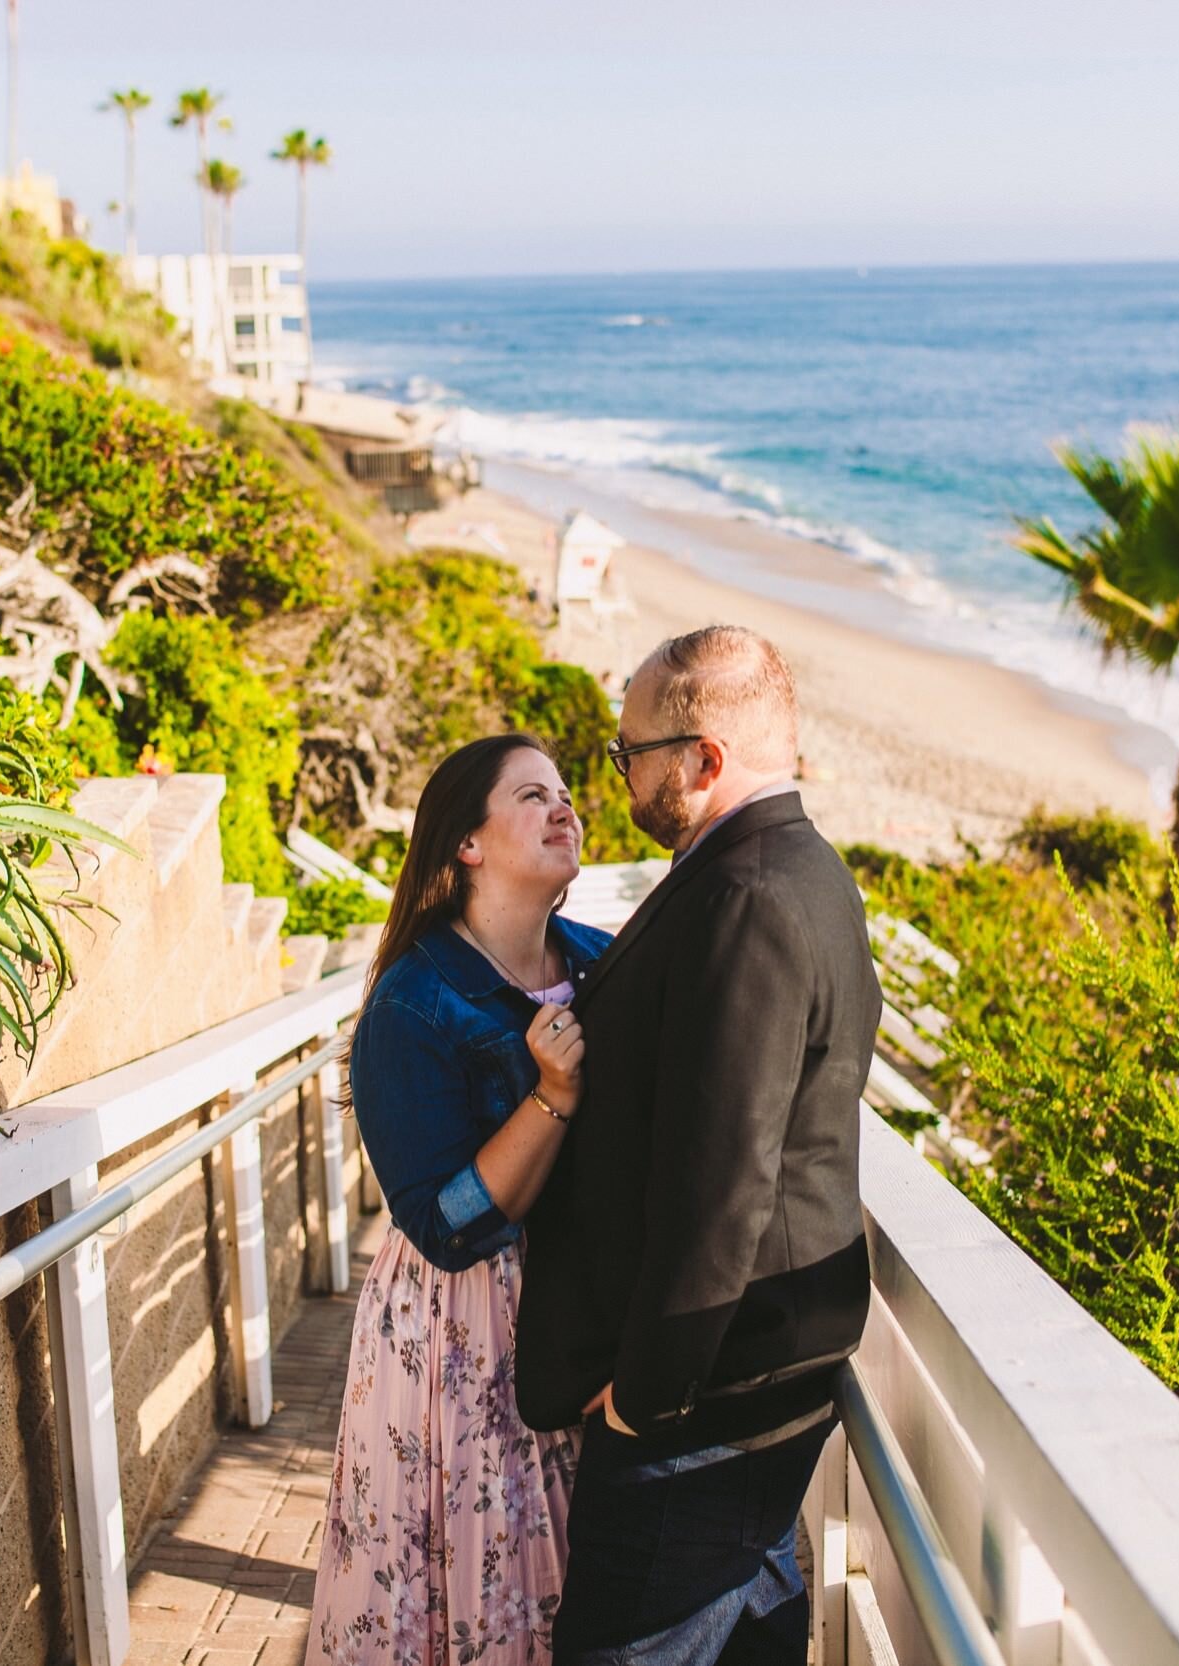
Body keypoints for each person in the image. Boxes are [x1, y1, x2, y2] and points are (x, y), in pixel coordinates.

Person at [517, 625, 880, 1665]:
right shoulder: (800, 871)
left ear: (701, 759)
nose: (619, 773)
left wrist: (644, 1396)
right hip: (748, 1376)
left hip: (702, 1400)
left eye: (628, 751)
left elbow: (723, 1179)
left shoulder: (748, 895)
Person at [309, 734, 615, 1666]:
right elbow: (444, 1229)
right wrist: (551, 1095)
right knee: (478, 1588)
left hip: (591, 1319)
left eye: (564, 792)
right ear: (468, 845)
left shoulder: (606, 962)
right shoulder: (413, 1003)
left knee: (581, 1585)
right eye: (532, 796)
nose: (564, 807)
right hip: (465, 1334)